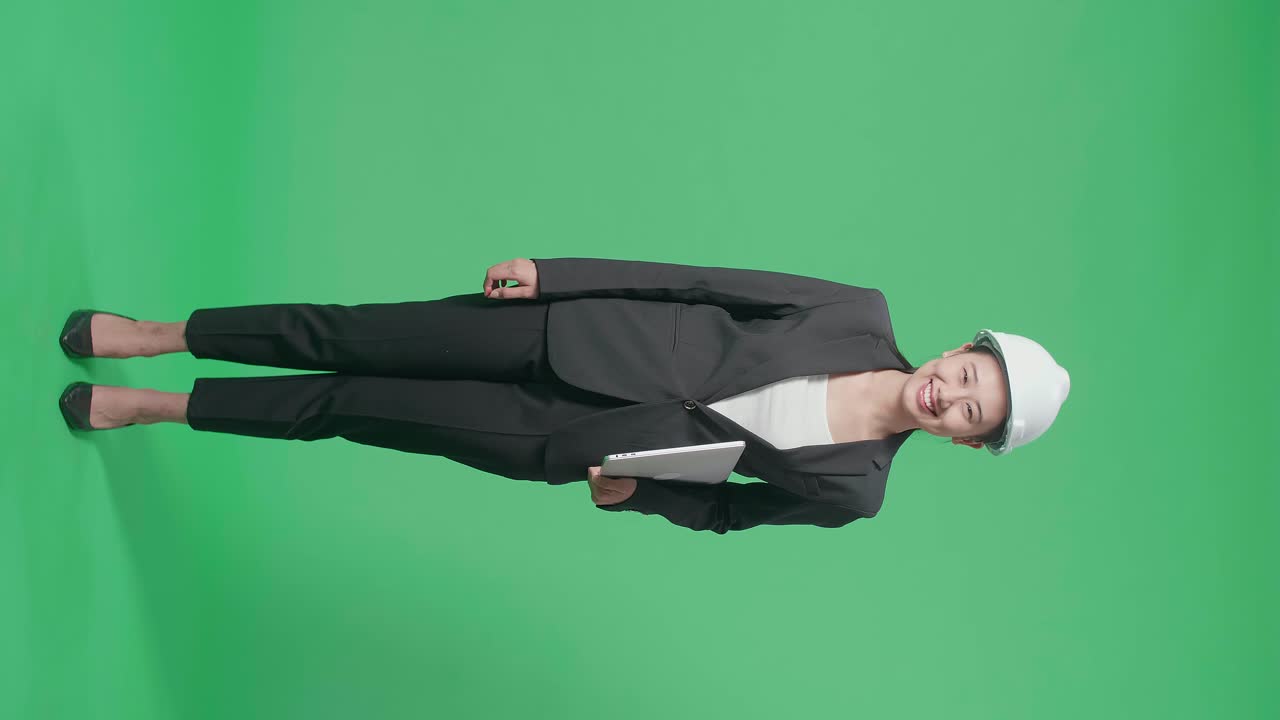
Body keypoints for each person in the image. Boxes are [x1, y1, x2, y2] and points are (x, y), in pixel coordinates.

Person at [57, 257, 1071, 534]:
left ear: (964, 444)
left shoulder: (854, 492)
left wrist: (648, 497)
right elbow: (699, 282)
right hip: (563, 329)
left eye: (972, 414)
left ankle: (161, 407)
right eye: (968, 374)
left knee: (354, 408)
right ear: (958, 347)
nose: (951, 395)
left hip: (571, 437)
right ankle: (164, 335)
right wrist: (557, 272)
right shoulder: (854, 307)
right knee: (353, 332)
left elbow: (726, 511)